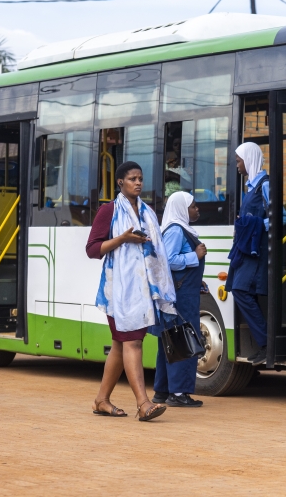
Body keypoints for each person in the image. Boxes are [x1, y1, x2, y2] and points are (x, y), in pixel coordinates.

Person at [86, 161, 177, 421]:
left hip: (142, 291)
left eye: (140, 178)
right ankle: (144, 403)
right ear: (120, 183)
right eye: (132, 179)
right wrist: (122, 239)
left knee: (120, 345)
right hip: (118, 292)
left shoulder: (147, 212)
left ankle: (101, 400)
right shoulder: (109, 211)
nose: (138, 183)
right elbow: (92, 249)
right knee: (132, 342)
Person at [153, 191, 208, 408]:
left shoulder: (179, 228)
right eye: (193, 206)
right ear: (181, 209)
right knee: (183, 341)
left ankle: (162, 390)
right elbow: (168, 260)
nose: (197, 209)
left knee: (170, 341)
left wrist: (198, 283)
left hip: (183, 292)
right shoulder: (175, 230)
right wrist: (195, 256)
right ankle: (178, 393)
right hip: (180, 298)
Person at [225, 142, 272, 366]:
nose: (237, 165)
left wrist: (253, 224)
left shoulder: (265, 185)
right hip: (245, 249)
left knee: (242, 290)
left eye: (238, 161)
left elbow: (279, 218)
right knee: (239, 289)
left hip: (256, 251)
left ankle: (266, 343)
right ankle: (263, 344)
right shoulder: (251, 186)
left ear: (249, 160)